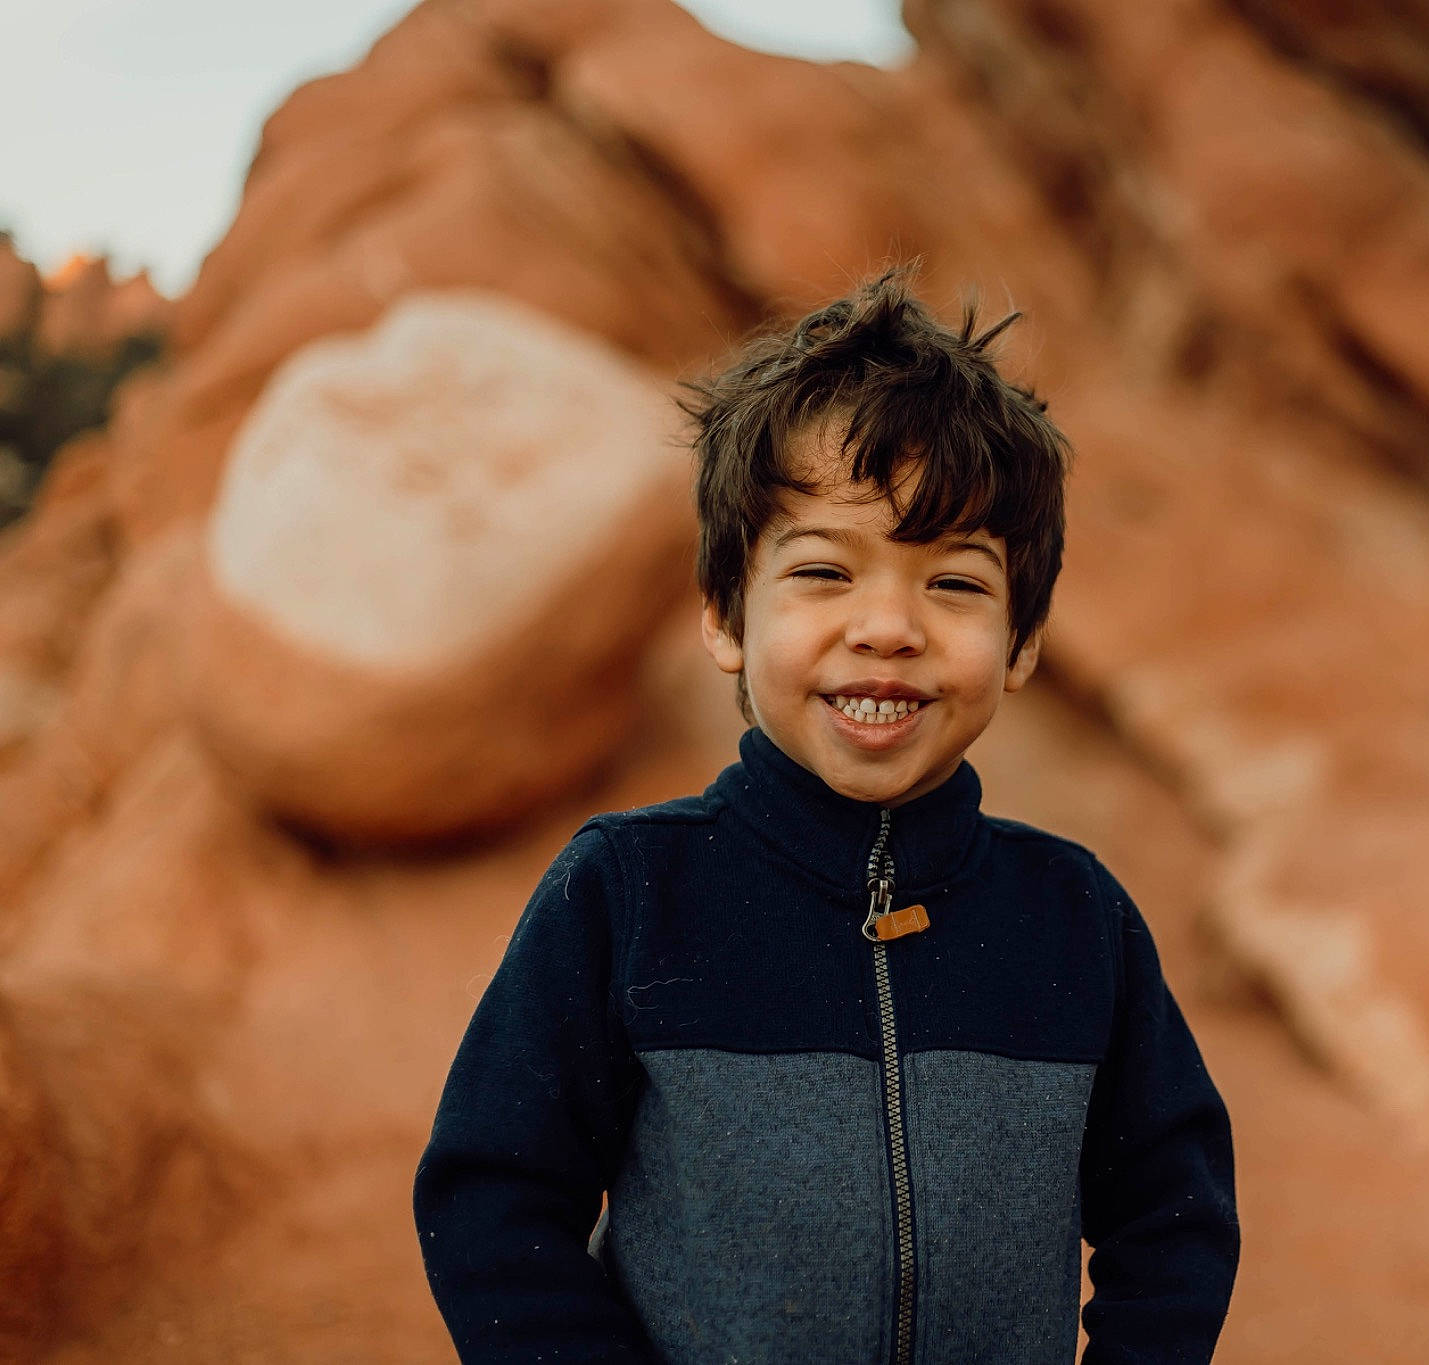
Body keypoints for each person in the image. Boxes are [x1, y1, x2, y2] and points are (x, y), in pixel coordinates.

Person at [413, 268, 1239, 1364]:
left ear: (1024, 642)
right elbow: (493, 1200)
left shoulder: (1074, 917)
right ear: (724, 615)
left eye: (954, 585)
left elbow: (1173, 1222)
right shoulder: (627, 892)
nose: (887, 627)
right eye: (820, 571)